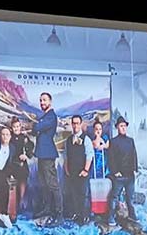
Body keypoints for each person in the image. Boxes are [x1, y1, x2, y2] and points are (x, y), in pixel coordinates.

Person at [32, 92, 62, 226]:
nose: (42, 103)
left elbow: (36, 127)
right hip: (42, 154)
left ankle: (59, 214)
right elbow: (36, 129)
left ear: (50, 101)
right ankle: (47, 209)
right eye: (40, 101)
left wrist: (38, 125)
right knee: (44, 185)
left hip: (48, 155)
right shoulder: (45, 117)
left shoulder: (51, 116)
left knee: (52, 185)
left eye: (44, 100)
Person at [108, 116, 139, 226]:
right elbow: (110, 158)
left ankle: (132, 216)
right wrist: (115, 172)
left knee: (130, 199)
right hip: (119, 176)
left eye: (125, 126)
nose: (123, 128)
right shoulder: (113, 141)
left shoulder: (131, 141)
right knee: (114, 197)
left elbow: (134, 155)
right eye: (121, 126)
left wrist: (135, 169)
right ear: (117, 127)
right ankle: (111, 218)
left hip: (130, 175)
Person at [63, 114, 93, 223]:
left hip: (82, 172)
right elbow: (66, 155)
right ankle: (76, 214)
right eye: (73, 123)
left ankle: (85, 216)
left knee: (84, 194)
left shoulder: (86, 139)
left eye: (77, 123)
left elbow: (90, 155)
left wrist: (85, 170)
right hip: (72, 172)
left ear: (81, 124)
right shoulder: (68, 140)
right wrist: (66, 168)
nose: (75, 125)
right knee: (74, 194)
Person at [8, 116, 34, 215]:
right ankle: (12, 206)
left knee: (22, 183)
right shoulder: (9, 137)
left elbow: (31, 147)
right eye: (15, 127)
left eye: (18, 126)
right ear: (12, 128)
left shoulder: (24, 138)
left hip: (22, 165)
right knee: (12, 185)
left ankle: (21, 203)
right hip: (11, 165)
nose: (16, 128)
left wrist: (26, 155)